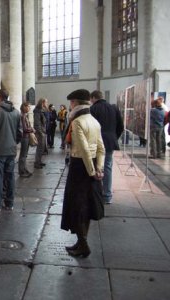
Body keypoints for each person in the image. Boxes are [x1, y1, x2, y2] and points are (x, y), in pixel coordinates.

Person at [61, 89, 105, 258]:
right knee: (86, 207)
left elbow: (84, 150)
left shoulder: (77, 122)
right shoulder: (94, 121)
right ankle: (80, 242)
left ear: (76, 103)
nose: (70, 105)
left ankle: (84, 246)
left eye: (71, 102)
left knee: (77, 206)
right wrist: (98, 168)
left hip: (80, 167)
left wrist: (92, 171)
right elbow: (101, 148)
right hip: (91, 165)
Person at [90, 90, 124, 204]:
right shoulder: (114, 108)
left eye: (91, 99)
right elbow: (120, 126)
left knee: (95, 167)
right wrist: (114, 137)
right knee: (108, 167)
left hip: (96, 142)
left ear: (93, 98)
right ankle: (107, 196)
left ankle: (95, 194)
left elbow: (90, 127)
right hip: (110, 141)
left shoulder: (93, 109)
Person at [18, 102, 34, 178]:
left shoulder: (24, 115)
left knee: (25, 155)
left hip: (26, 136)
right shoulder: (22, 116)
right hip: (24, 137)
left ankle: (24, 169)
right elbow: (24, 129)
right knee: (23, 155)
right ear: (24, 107)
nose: (29, 108)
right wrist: (32, 130)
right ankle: (22, 171)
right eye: (28, 106)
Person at [33, 98, 48, 169]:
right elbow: (37, 123)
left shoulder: (42, 110)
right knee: (39, 148)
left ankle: (39, 161)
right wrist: (40, 132)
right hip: (40, 132)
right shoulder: (37, 111)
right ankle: (37, 163)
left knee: (42, 148)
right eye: (46, 102)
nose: (47, 104)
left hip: (43, 131)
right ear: (42, 103)